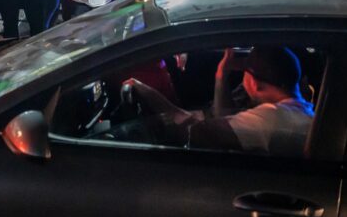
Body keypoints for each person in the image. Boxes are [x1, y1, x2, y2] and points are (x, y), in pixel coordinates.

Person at [127, 46, 314, 157]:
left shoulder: (269, 119)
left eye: (245, 73)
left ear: (255, 84)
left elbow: (193, 131)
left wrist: (146, 91)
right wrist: (221, 75)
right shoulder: (298, 111)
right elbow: (225, 121)